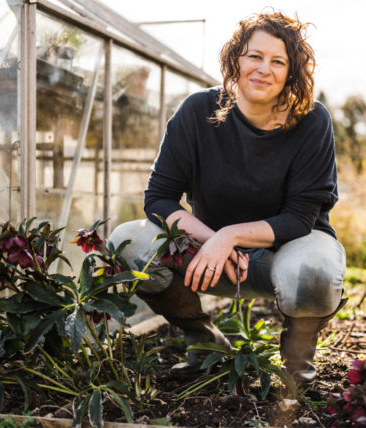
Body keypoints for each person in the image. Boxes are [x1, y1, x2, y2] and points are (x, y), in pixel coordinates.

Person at [109, 11, 347, 385]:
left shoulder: (312, 121)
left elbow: (300, 218)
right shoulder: (196, 112)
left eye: (278, 61)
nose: (263, 69)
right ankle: (204, 343)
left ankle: (297, 362)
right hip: (212, 259)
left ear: (291, 72)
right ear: (235, 59)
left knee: (315, 273)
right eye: (254, 56)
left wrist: (229, 235)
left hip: (287, 251)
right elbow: (159, 198)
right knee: (127, 240)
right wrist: (211, 239)